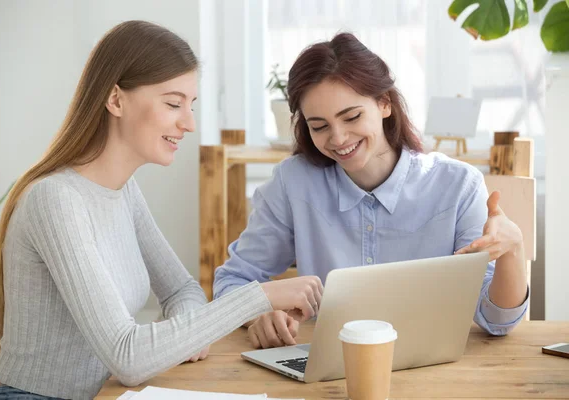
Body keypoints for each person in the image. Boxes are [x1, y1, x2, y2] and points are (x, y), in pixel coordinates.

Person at [0, 21, 322, 400]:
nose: (188, 123)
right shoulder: (56, 200)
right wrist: (259, 297)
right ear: (115, 100)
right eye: (173, 103)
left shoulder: (124, 191)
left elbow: (182, 289)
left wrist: (179, 337)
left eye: (191, 106)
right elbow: (128, 358)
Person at [213, 32, 529, 350]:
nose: (338, 138)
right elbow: (232, 281)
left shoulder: (457, 186)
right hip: (328, 374)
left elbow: (497, 320)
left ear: (384, 104)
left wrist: (511, 251)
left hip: (431, 369)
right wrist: (258, 316)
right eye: (319, 126)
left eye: (351, 117)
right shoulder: (293, 183)